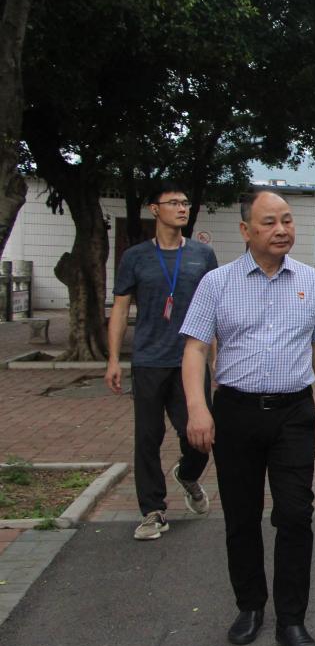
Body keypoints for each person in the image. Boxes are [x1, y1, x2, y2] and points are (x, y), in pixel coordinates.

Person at [180, 190, 315, 646]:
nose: (282, 230)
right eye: (269, 222)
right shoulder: (217, 282)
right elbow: (193, 349)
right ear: (246, 230)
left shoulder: (313, 282)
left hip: (294, 413)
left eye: (287, 220)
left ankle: (292, 620)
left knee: (295, 514)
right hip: (235, 412)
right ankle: (250, 605)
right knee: (241, 515)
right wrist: (198, 408)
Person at [105, 182, 219, 541]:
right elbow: (121, 308)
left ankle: (187, 475)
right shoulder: (135, 257)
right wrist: (113, 359)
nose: (182, 208)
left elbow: (215, 310)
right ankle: (153, 510)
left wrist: (217, 361)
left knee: (200, 438)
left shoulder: (203, 255)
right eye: (173, 203)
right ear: (155, 209)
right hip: (149, 359)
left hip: (191, 360)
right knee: (148, 437)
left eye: (185, 202)